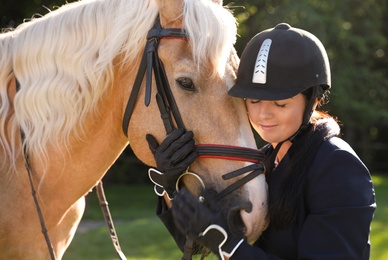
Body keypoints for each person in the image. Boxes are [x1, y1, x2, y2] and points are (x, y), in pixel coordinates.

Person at [146, 23, 376, 259]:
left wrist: (228, 244)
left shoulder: (338, 167)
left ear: (313, 101)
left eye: (280, 104)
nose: (263, 115)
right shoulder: (262, 161)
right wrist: (170, 185)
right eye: (253, 101)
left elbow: (221, 242)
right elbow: (194, 245)